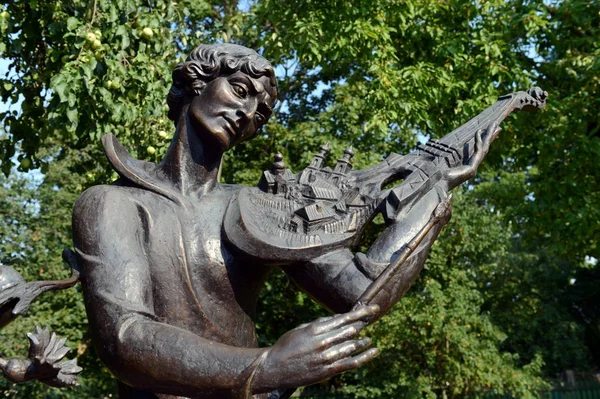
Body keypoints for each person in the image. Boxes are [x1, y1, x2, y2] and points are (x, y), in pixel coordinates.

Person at [72, 43, 453, 399]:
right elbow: (124, 337)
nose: (248, 114)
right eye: (240, 90)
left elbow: (361, 293)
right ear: (197, 82)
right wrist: (265, 366)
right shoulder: (113, 204)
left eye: (261, 112)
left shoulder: (258, 210)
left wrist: (434, 196)